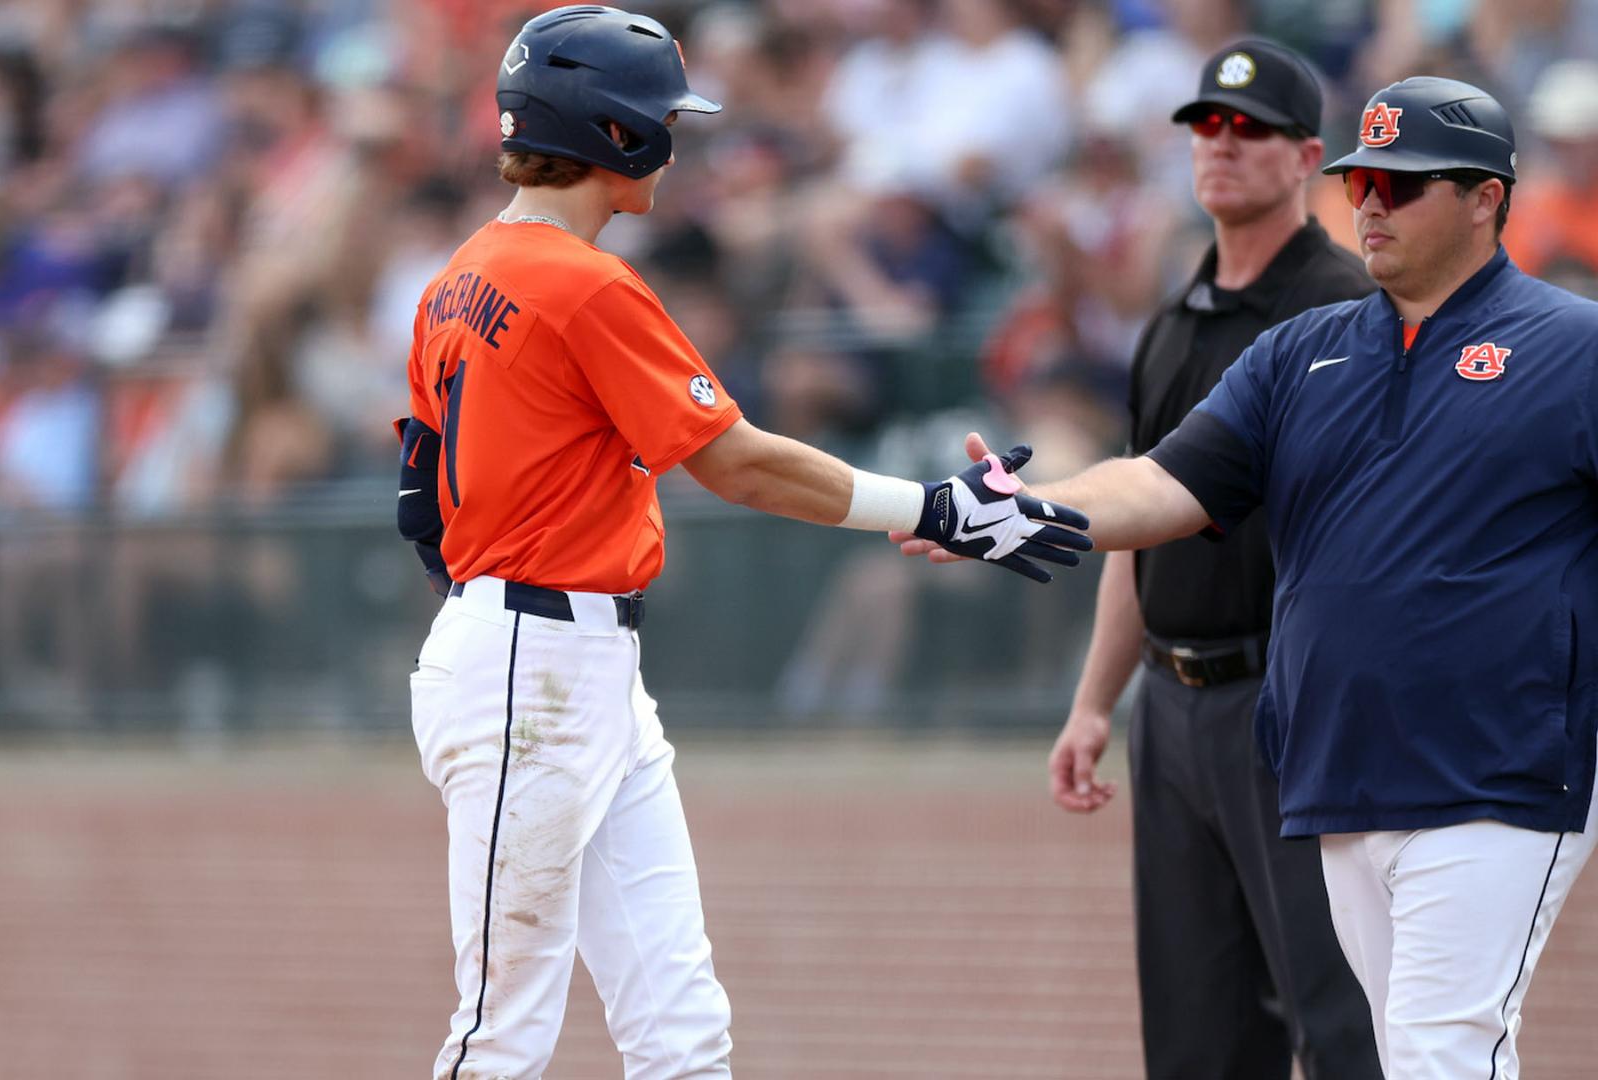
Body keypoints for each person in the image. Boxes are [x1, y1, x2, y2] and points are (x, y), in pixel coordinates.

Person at [395, 8, 1092, 1077]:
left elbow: (421, 502)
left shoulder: (461, 275)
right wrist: (931, 508)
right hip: (533, 667)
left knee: (681, 1032)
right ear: (614, 132)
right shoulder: (582, 281)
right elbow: (738, 463)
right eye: (662, 120)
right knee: (501, 1036)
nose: (673, 142)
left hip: (559, 660)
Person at [899, 75, 1598, 1078]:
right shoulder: (1301, 352)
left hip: (1499, 765)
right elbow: (1159, 484)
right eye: (1361, 182)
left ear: (1486, 197)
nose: (1369, 204)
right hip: (1341, 766)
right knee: (1400, 1052)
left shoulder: (1573, 348)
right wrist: (1028, 508)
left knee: (1443, 1046)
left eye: (1401, 185)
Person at [1047, 41, 1381, 1080]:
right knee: (1196, 1032)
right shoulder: (1171, 320)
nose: (1220, 145)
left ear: (1308, 156)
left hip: (1290, 703)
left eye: (1249, 129)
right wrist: (1095, 703)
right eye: (1206, 125)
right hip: (1171, 708)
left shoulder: (1342, 309)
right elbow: (1136, 522)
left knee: (1339, 1017)